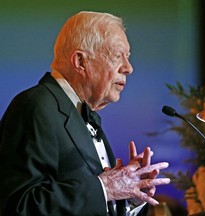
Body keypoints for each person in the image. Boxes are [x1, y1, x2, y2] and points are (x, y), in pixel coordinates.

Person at [0, 11, 170, 216]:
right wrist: (104, 188)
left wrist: (130, 198)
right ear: (80, 62)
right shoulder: (35, 106)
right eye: (118, 56)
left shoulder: (81, 112)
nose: (128, 68)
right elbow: (18, 206)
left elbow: (92, 203)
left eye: (128, 57)